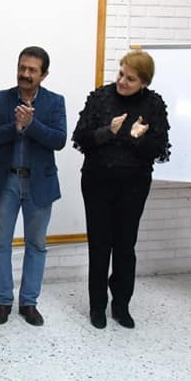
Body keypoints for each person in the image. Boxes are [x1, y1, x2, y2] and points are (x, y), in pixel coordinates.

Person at [71, 50, 170, 330]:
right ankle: (97, 306)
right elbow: (80, 138)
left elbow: (159, 149)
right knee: (99, 244)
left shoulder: (153, 104)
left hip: (134, 185)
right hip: (97, 181)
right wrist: (108, 132)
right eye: (121, 74)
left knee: (125, 246)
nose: (122, 81)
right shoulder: (100, 97)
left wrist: (136, 138)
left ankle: (121, 305)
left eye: (130, 78)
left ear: (144, 82)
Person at [0, 46, 66, 327]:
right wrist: (14, 128)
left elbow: (59, 140)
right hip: (5, 181)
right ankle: (3, 301)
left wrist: (31, 125)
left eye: (32, 70)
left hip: (40, 183)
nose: (25, 74)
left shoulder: (55, 102)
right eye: (22, 67)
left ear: (44, 74)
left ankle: (29, 302)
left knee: (36, 244)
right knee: (0, 243)